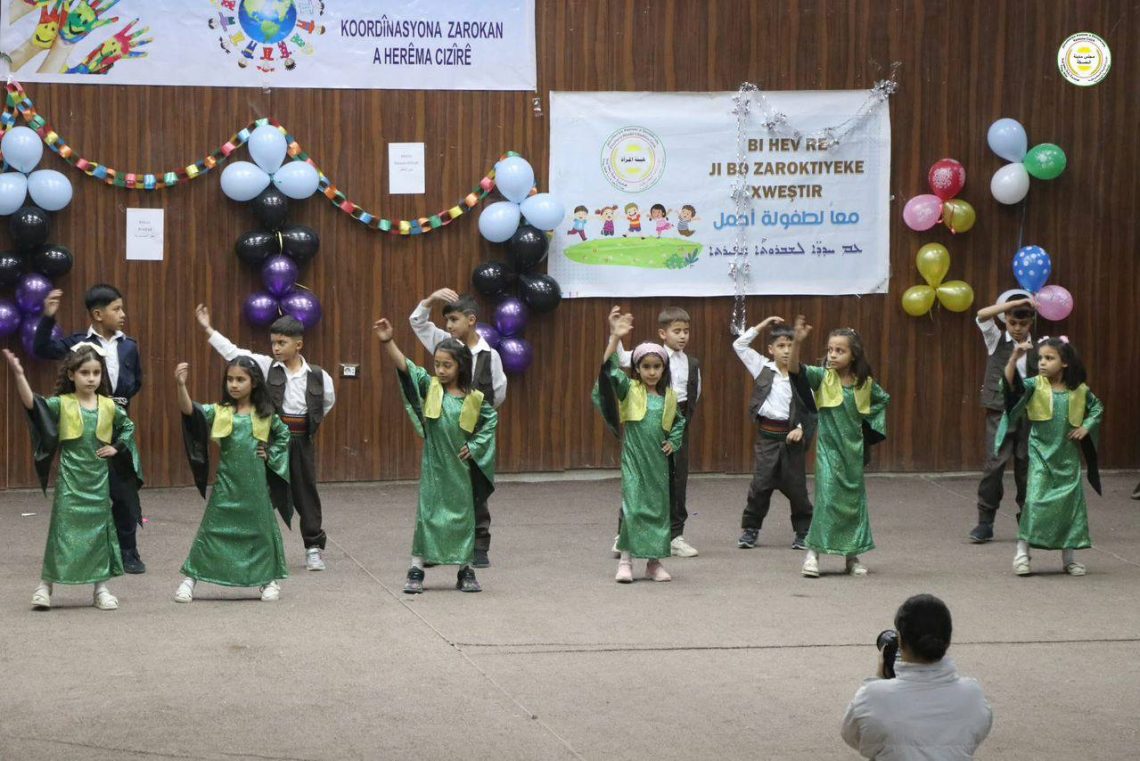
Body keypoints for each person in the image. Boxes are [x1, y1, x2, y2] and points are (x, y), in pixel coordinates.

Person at [196, 306, 335, 571]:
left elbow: (327, 402)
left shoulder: (318, 375)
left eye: (282, 343)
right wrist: (208, 328)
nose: (276, 348)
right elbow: (234, 352)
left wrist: (309, 424)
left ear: (299, 344)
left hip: (301, 440)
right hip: (270, 440)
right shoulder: (265, 366)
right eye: (273, 342)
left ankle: (313, 548)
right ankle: (251, 543)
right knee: (262, 491)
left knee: (305, 492)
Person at [4, 344, 141, 611]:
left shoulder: (109, 406)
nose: (91, 378)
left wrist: (117, 447)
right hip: (70, 483)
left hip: (98, 483)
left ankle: (100, 588)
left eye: (96, 373)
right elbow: (34, 404)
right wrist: (20, 375)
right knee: (61, 532)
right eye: (85, 373)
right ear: (71, 375)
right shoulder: (63, 404)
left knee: (99, 535)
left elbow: (128, 427)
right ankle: (45, 586)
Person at [374, 318, 498, 594]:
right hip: (434, 468)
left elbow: (490, 421)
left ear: (461, 366)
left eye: (447, 365)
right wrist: (387, 341)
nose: (440, 370)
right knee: (428, 516)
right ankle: (416, 568)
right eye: (437, 364)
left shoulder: (473, 399)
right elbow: (406, 366)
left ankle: (465, 569)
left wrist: (476, 446)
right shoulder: (431, 389)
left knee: (463, 518)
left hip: (461, 471)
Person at [34, 285, 146, 574]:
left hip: (116, 421)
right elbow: (42, 348)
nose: (123, 314)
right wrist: (47, 317)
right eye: (116, 309)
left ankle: (129, 550)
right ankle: (83, 549)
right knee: (88, 492)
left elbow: (136, 381)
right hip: (87, 424)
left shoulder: (129, 345)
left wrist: (117, 406)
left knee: (123, 491)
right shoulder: (76, 343)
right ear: (98, 314)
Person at [173, 358, 291, 602]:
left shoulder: (265, 414)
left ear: (254, 382)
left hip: (256, 487)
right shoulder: (220, 411)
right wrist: (180, 385)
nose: (234, 384)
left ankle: (269, 580)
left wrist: (271, 453)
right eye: (230, 379)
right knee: (212, 529)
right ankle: (190, 579)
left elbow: (284, 435)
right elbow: (190, 411)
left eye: (240, 379)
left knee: (261, 532)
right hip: (226, 485)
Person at [409, 289, 507, 569]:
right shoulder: (444, 343)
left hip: (475, 436)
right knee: (440, 490)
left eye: (453, 320)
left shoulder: (491, 356)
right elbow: (418, 323)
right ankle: (436, 546)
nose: (448, 327)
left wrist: (477, 422)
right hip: (447, 434)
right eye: (447, 321)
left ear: (471, 320)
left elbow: (498, 393)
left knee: (475, 490)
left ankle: (478, 544)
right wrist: (428, 300)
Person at [789, 317, 889, 577]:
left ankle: (851, 556)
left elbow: (881, 400)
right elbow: (795, 369)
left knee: (853, 504)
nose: (832, 355)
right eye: (830, 349)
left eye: (840, 350)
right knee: (827, 500)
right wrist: (797, 343)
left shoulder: (864, 384)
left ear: (853, 355)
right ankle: (813, 554)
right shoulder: (823, 378)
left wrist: (868, 430)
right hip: (828, 453)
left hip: (853, 454)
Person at [594, 308, 686, 583]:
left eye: (657, 367)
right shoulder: (629, 390)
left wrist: (673, 441)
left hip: (657, 463)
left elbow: (679, 422)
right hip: (634, 461)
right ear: (636, 369)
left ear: (664, 369)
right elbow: (609, 368)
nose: (652, 372)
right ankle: (626, 560)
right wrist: (614, 336)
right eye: (645, 367)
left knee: (657, 510)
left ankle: (654, 563)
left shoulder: (669, 397)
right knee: (633, 509)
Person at [842, 594, 993, 760]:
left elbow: (853, 737)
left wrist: (880, 678)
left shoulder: (872, 696)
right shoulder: (973, 695)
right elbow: (978, 734)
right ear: (948, 641)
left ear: (899, 640)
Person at [1002, 337, 1103, 576]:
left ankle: (1069, 559)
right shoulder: (1034, 385)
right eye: (1040, 358)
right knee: (1034, 502)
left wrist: (1086, 426)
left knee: (1070, 507)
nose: (1042, 363)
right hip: (1041, 456)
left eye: (1049, 358)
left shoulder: (1079, 390)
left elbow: (1097, 407)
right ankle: (1022, 554)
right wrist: (1014, 359)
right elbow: (1010, 387)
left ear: (1065, 362)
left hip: (1067, 460)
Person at [614, 306, 701, 558]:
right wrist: (617, 336)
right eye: (677, 331)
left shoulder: (692, 363)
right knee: (639, 479)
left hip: (676, 422)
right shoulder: (652, 355)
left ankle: (675, 535)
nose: (683, 336)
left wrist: (678, 429)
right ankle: (624, 533)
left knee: (677, 480)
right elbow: (621, 360)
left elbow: (694, 394)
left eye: (686, 331)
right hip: (649, 418)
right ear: (663, 333)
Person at [733, 316, 815, 550]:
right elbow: (739, 345)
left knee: (797, 488)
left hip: (791, 439)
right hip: (768, 436)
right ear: (771, 349)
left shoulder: (802, 374)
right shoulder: (762, 367)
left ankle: (803, 531)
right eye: (781, 346)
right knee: (760, 485)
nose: (786, 350)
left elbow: (811, 408)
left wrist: (800, 428)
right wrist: (763, 324)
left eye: (790, 345)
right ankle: (750, 529)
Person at [970, 293, 1037, 543]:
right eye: (1013, 322)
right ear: (1006, 320)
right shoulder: (996, 339)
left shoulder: (1040, 347)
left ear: (1031, 322)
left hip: (1029, 413)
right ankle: (985, 522)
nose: (1018, 328)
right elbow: (981, 315)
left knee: (1026, 465)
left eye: (1023, 323)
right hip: (1000, 410)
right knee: (995, 464)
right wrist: (1013, 305)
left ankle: (1028, 519)